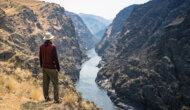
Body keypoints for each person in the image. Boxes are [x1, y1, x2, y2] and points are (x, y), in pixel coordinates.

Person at [39, 32, 61, 103]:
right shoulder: (53, 47)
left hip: (44, 67)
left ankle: (46, 98)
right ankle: (56, 99)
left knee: (45, 83)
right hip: (52, 68)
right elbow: (56, 59)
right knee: (56, 84)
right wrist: (58, 68)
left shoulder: (41, 46)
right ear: (50, 39)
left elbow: (40, 57)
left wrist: (42, 66)